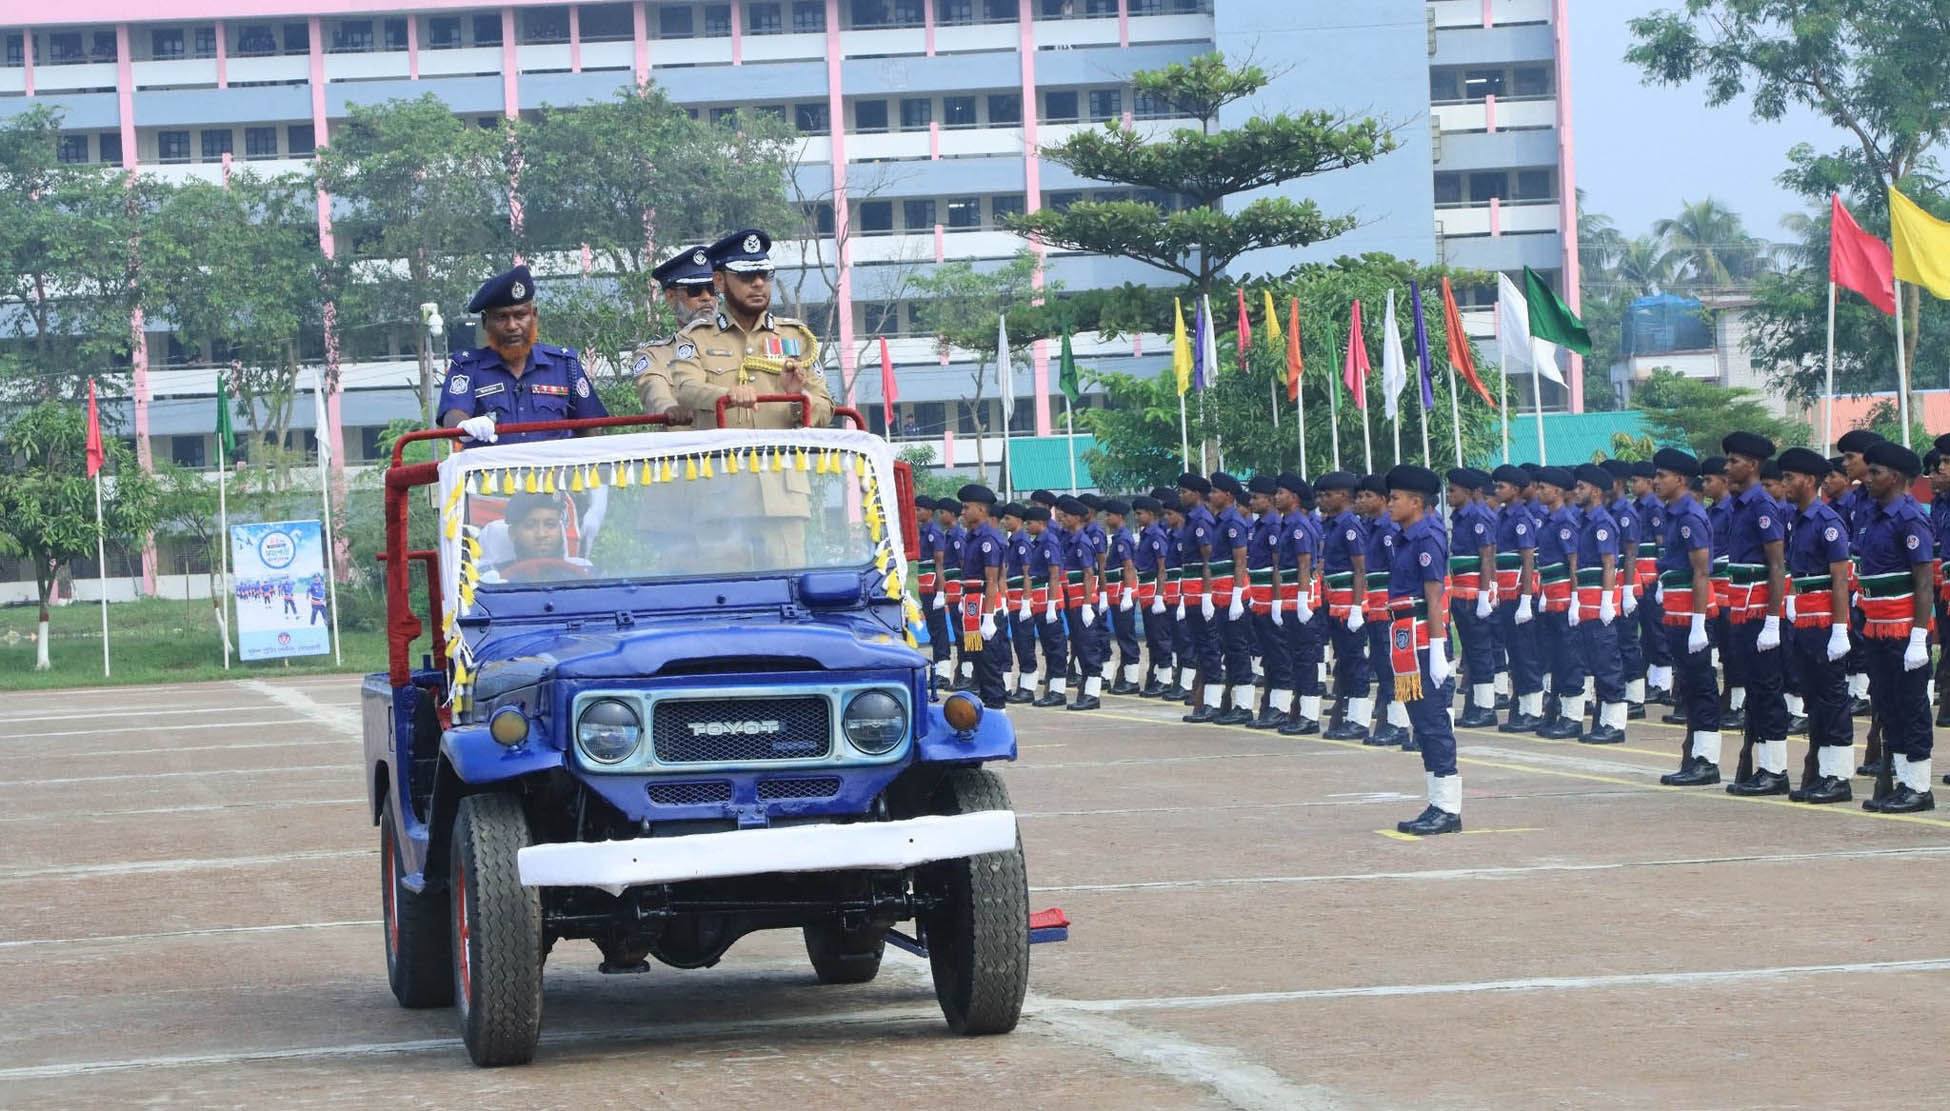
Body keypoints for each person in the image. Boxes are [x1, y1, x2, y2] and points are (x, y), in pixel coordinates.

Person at [670, 229, 834, 431]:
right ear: (719, 281)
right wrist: (727, 395)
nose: (758, 283)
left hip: (783, 459)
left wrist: (799, 397)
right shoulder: (695, 338)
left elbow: (825, 409)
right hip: (723, 460)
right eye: (746, 276)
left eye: (764, 275)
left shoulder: (797, 336)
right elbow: (686, 389)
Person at [440, 264, 610, 445]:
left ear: (534, 315)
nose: (512, 326)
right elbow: (452, 416)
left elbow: (591, 429)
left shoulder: (565, 365)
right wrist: (465, 427)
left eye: (520, 315)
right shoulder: (467, 367)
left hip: (554, 471)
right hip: (492, 472)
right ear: (484, 322)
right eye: (501, 317)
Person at [1855, 439, 1936, 812]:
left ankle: (1918, 786)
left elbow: (1923, 582)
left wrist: (1919, 637)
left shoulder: (1910, 517)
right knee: (1887, 705)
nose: (1868, 478)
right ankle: (1902, 780)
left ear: (1897, 477)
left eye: (1876, 472)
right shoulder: (1873, 515)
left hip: (1904, 629)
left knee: (1911, 706)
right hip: (1877, 626)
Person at [1383, 465, 1463, 836]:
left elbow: (1434, 596)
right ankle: (1436, 802)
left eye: (1396, 498)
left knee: (1434, 725)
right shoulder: (1406, 536)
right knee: (1423, 725)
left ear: (1417, 502)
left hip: (1421, 636)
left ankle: (1448, 807)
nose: (1390, 503)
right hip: (1404, 635)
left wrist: (1436, 649)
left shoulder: (1426, 536)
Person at [1776, 447, 1855, 804]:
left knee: (1833, 699)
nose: (1785, 484)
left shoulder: (1827, 521)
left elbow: (1840, 579)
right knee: (1814, 700)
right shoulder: (1796, 519)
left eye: (1790, 478)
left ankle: (1838, 776)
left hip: (1825, 621)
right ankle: (1822, 771)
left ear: (1809, 481)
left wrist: (1840, 629)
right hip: (1804, 619)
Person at [1719, 432, 1792, 794]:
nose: (1727, 467)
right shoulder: (1738, 505)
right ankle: (1760, 763)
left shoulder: (1763, 505)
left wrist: (1773, 620)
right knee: (1754, 690)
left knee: (1767, 690)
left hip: (1760, 611)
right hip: (1741, 610)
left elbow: (1776, 566)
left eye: (1734, 461)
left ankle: (1775, 770)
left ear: (1753, 465)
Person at [1652, 449, 1723, 786]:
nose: (1656, 482)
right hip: (1677, 612)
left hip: (1691, 615)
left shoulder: (1690, 516)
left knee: (1701, 685)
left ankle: (1706, 759)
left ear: (1679, 479)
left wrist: (1698, 622)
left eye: (1661, 476)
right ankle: (1695, 754)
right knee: (1689, 687)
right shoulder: (1673, 513)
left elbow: (1701, 571)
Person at [1561, 463, 1628, 745]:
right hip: (1587, 603)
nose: (1577, 491)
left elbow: (1609, 564)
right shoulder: (1585, 520)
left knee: (1607, 661)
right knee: (1595, 661)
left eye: (1582, 487)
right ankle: (1603, 719)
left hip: (1600, 602)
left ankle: (1615, 723)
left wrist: (1606, 602)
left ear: (1596, 491)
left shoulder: (1602, 522)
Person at [630, 245, 716, 427]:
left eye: (711, 288)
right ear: (670, 297)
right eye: (695, 290)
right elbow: (654, 391)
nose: (706, 297)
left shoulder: (735, 343)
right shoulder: (653, 355)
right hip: (687, 449)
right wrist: (669, 408)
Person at [1316, 472, 1371, 740]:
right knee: (1343, 661)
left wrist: (1357, 607)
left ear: (1344, 496)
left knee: (1355, 661)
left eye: (1328, 495)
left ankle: (1359, 718)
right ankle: (1346, 709)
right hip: (1333, 600)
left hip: (1349, 602)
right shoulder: (1331, 524)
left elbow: (1360, 569)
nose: (1322, 500)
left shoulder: (1349, 525)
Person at [1492, 464, 1545, 732]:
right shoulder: (1503, 516)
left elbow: (1528, 561)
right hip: (1505, 593)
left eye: (1502, 486)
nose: (1497, 490)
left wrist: (1526, 599)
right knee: (1514, 651)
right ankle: (1522, 705)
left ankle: (1533, 709)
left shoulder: (1521, 517)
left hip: (1519, 592)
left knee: (1525, 652)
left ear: (1515, 489)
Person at [1446, 467, 1499, 728]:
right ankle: (1475, 704)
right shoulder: (1459, 516)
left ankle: (1486, 706)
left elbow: (1487, 556)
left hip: (1473, 591)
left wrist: (1484, 594)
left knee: (1480, 650)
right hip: (1460, 591)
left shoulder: (1479, 516)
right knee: (1470, 650)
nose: (1448, 495)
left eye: (1453, 490)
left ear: (1468, 492)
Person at [1358, 474, 1408, 746]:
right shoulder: (1370, 526)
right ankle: (1392, 720)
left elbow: (1395, 569)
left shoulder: (1387, 529)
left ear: (1382, 499)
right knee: (1382, 664)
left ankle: (1398, 724)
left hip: (1387, 607)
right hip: (1375, 607)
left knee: (1392, 667)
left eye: (1368, 496)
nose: (1362, 500)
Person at [1532, 467, 1582, 738]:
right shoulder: (1548, 520)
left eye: (1544, 488)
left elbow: (1573, 562)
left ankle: (1573, 716)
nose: (1539, 491)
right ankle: (1557, 709)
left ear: (1559, 492)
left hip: (1565, 599)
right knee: (1555, 656)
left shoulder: (1565, 521)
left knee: (1569, 656)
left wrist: (1576, 599)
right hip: (1551, 598)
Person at [1272, 473, 1322, 735]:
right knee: (1296, 656)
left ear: (1293, 497)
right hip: (1291, 596)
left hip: (1300, 596)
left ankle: (1309, 716)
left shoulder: (1299, 525)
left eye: (1281, 493)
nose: (1276, 497)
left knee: (1305, 658)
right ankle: (1300, 710)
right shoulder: (1287, 524)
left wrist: (1303, 600)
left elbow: (1304, 564)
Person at [1176, 474, 1226, 722]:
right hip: (1192, 590)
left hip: (1201, 590)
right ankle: (1207, 700)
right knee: (1201, 646)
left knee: (1209, 647)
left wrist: (1207, 594)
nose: (1181, 495)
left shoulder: (1201, 520)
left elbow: (1208, 558)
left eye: (1184, 491)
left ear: (1196, 493)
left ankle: (1213, 702)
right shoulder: (1192, 519)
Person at [956, 484, 1009, 710]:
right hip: (971, 605)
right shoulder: (972, 537)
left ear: (980, 509)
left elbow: (992, 580)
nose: (963, 512)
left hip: (983, 607)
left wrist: (988, 617)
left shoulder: (989, 538)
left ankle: (997, 710)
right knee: (977, 659)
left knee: (989, 662)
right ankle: (987, 706)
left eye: (967, 507)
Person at [1243, 475, 1290, 728]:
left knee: (1278, 653)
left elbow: (1276, 565)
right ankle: (1273, 703)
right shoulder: (1260, 525)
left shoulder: (1273, 525)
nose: (1251, 502)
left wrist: (1276, 600)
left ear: (1270, 500)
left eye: (1256, 497)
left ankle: (1281, 706)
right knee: (1268, 655)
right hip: (1259, 598)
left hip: (1271, 598)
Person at [1056, 495, 1105, 711]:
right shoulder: (1071, 539)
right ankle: (1086, 690)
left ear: (1076, 517)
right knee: (1080, 645)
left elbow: (1088, 573)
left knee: (1088, 647)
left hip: (1083, 602)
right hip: (1074, 602)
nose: (1062, 519)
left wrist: (1087, 604)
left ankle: (1093, 694)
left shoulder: (1082, 541)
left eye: (1066, 516)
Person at [1631, 461, 1674, 705]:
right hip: (1639, 577)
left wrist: (1661, 580)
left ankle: (1662, 682)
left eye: (1636, 481)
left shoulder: (1655, 507)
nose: (1632, 485)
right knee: (1645, 631)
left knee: (1656, 629)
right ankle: (1653, 678)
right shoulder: (1637, 506)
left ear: (1648, 482)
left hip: (1652, 576)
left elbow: (1661, 544)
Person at [1023, 505, 1070, 707]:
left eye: (1029, 522)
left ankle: (1058, 691)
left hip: (1049, 598)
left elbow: (1054, 574)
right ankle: (1053, 688)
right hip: (1041, 599)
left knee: (1055, 646)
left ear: (1041, 523)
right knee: (1048, 646)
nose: (1027, 526)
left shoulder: (1049, 541)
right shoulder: (1039, 541)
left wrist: (1052, 604)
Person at [1132, 494, 1177, 697]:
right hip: (1145, 588)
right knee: (1152, 637)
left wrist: (1160, 594)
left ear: (1150, 514)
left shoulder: (1156, 535)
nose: (1137, 517)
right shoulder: (1145, 534)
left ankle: (1165, 678)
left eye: (1140, 514)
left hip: (1154, 588)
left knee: (1161, 636)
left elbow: (1162, 567)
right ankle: (1158, 676)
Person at [1102, 500, 1144, 695]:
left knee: (1126, 635)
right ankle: (1126, 676)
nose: (1106, 518)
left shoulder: (1123, 538)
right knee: (1121, 634)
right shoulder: (1118, 537)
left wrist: (1128, 592)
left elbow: (1128, 566)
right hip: (1116, 590)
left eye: (1109, 515)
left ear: (1118, 516)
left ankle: (1132, 679)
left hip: (1122, 590)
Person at [915, 495, 952, 691]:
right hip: (924, 585)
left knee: (939, 630)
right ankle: (938, 669)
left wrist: (940, 591)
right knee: (933, 630)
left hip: (932, 584)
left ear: (930, 512)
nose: (917, 513)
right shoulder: (922, 531)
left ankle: (944, 672)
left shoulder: (934, 532)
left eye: (920, 509)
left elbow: (940, 563)